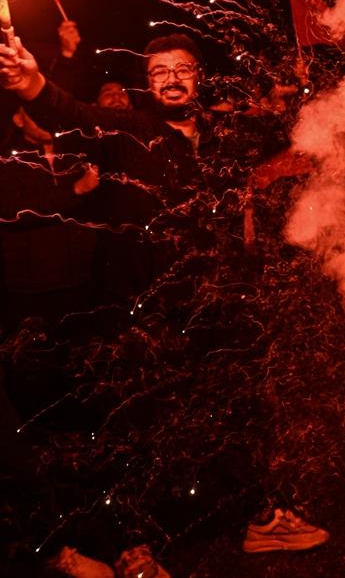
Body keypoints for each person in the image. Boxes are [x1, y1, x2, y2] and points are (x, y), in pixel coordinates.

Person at [0, 32, 327, 576]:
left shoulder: (221, 137)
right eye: (158, 72)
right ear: (146, 84)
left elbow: (282, 135)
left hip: (211, 306)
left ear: (200, 77)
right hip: (138, 315)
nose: (172, 79)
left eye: (183, 69)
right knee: (136, 428)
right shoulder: (130, 134)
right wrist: (29, 79)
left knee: (234, 410)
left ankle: (260, 519)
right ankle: (134, 547)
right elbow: (68, 110)